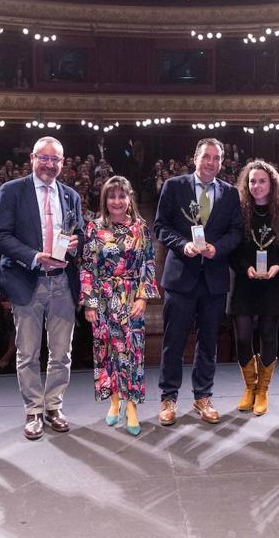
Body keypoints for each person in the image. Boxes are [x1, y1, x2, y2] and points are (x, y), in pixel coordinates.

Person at [0, 136, 84, 441]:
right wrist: (32, 256)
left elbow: (81, 235)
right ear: (32, 158)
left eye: (55, 159)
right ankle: (33, 410)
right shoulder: (12, 190)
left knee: (62, 353)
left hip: (62, 282)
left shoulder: (71, 195)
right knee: (27, 352)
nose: (49, 164)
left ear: (63, 162)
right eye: (43, 158)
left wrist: (75, 243)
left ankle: (54, 406)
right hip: (26, 280)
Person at [153, 138, 242, 426]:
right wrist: (182, 245)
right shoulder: (174, 186)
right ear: (195, 158)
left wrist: (218, 247)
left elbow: (236, 232)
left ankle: (203, 396)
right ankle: (168, 398)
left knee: (208, 343)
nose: (211, 163)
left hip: (214, 279)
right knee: (174, 341)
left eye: (217, 158)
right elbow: (160, 226)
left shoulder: (229, 193)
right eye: (207, 157)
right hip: (181, 277)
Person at [80, 176, 159, 435]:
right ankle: (115, 401)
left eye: (121, 196)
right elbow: (88, 267)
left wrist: (143, 297)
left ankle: (133, 407)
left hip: (130, 296)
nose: (116, 201)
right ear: (105, 199)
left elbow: (148, 262)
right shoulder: (93, 228)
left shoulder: (140, 228)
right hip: (102, 297)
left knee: (133, 353)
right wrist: (90, 304)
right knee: (107, 351)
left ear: (129, 198)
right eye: (111, 196)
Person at [229, 160, 279, 416]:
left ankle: (263, 391)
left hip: (273, 283)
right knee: (244, 336)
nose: (256, 185)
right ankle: (249, 386)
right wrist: (246, 267)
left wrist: (278, 268)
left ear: (272, 184)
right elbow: (232, 249)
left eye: (262, 181)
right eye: (252, 181)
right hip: (245, 282)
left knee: (268, 336)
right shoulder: (238, 211)